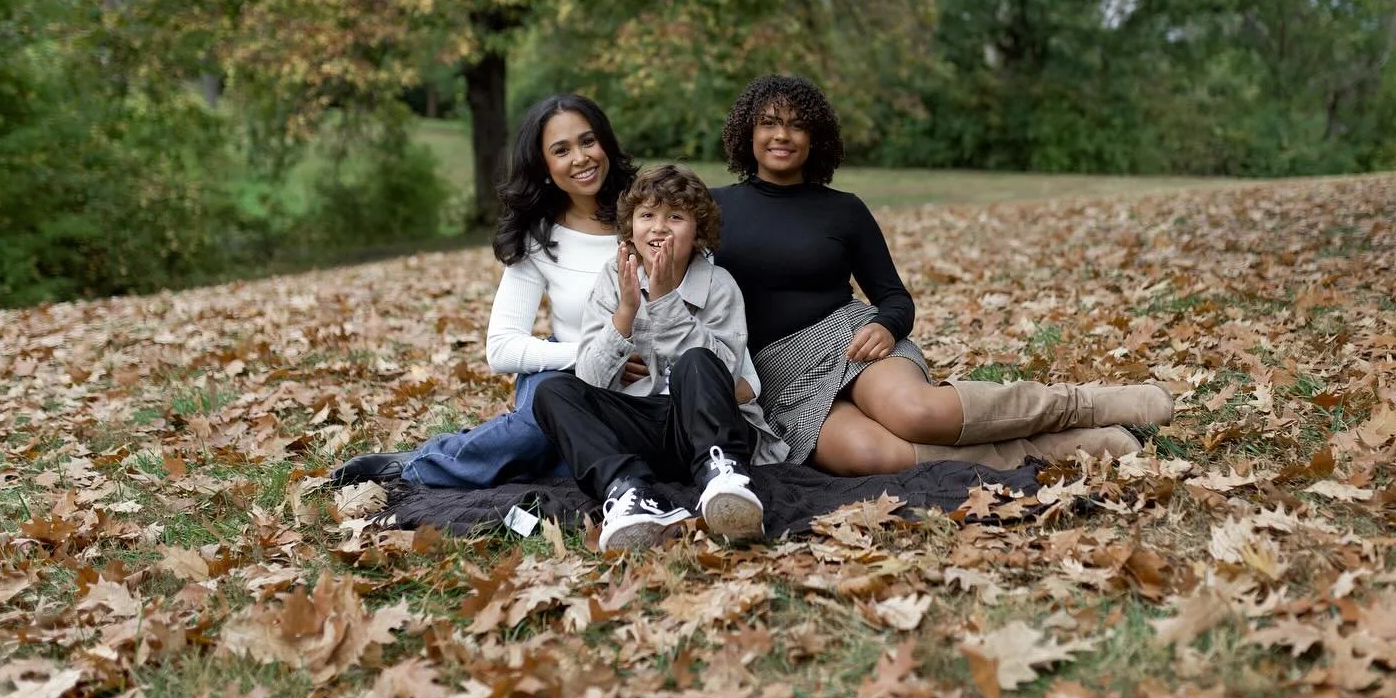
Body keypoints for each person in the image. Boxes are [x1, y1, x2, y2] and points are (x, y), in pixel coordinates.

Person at [710, 74, 1174, 475]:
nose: (782, 136)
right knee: (870, 455)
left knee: (917, 413)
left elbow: (896, 299)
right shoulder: (712, 209)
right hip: (774, 376)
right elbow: (653, 249)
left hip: (848, 340)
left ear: (816, 138)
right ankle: (1053, 449)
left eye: (796, 125)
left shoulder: (843, 211)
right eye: (769, 123)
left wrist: (885, 326)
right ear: (748, 132)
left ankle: (1087, 405)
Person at [331, 93, 638, 487]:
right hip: (564, 374)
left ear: (606, 144)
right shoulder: (538, 239)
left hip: (639, 391)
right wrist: (593, 355)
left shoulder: (647, 215)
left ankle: (482, 453)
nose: (580, 158)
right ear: (544, 167)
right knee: (536, 430)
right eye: (561, 150)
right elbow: (502, 348)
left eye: (587, 141)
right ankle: (415, 467)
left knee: (568, 461)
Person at [533, 165, 785, 551]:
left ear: (698, 231)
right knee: (553, 391)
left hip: (703, 429)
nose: (659, 227)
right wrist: (625, 314)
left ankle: (723, 477)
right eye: (647, 215)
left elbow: (726, 375)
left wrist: (667, 303)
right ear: (631, 227)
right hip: (643, 428)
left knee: (697, 361)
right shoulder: (614, 278)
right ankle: (629, 492)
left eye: (675, 217)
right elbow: (590, 379)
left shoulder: (719, 285)